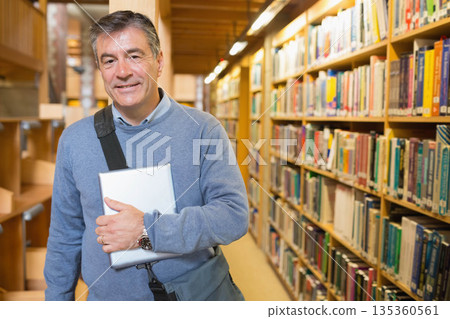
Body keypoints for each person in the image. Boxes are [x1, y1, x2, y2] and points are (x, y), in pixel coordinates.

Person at [44, 10, 248, 301]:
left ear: (159, 62)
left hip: (193, 299)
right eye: (109, 60)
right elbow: (65, 236)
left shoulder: (203, 129)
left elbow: (233, 216)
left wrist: (148, 229)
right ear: (100, 69)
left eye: (135, 56)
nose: (123, 71)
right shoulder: (75, 140)